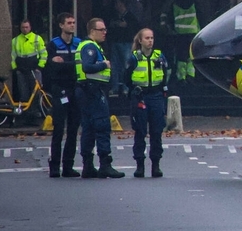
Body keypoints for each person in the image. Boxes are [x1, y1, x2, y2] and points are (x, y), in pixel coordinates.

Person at [74, 17, 124, 178]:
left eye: (105, 29)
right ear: (92, 31)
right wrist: (105, 64)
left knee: (88, 128)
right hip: (92, 91)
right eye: (101, 30)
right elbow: (87, 67)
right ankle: (105, 165)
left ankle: (88, 166)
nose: (104, 32)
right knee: (102, 126)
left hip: (86, 90)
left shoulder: (87, 45)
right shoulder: (89, 46)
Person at [124, 28, 170, 178]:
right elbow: (127, 77)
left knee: (157, 131)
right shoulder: (134, 58)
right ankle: (140, 165)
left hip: (156, 95)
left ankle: (156, 164)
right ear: (140, 41)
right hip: (141, 96)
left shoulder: (159, 56)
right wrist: (134, 92)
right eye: (147, 38)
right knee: (140, 131)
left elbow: (165, 74)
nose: (150, 41)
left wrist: (163, 90)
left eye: (152, 38)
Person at [44, 13, 82, 178]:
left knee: (73, 129)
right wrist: (70, 65)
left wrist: (64, 64)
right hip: (59, 88)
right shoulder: (53, 44)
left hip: (75, 88)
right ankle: (54, 166)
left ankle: (68, 166)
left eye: (73, 22)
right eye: (69, 23)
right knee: (58, 129)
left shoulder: (79, 43)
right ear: (61, 25)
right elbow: (51, 67)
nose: (72, 25)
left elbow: (80, 65)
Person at [160, 0, 200, 84]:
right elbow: (201, 16)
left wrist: (171, 29)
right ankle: (190, 75)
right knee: (190, 55)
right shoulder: (194, 3)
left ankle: (181, 77)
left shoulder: (174, 4)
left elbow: (170, 18)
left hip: (180, 34)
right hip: (193, 34)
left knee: (181, 56)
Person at [107, 0, 139, 97]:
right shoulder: (114, 16)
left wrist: (126, 26)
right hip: (115, 43)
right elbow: (110, 26)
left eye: (118, 3)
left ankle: (126, 87)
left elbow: (135, 28)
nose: (116, 5)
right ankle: (115, 87)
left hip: (126, 44)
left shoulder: (130, 16)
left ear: (122, 4)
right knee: (114, 66)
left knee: (126, 65)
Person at [11, 18, 47, 103]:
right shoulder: (15, 40)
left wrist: (40, 67)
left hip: (34, 68)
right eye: (23, 27)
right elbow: (13, 55)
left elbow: (44, 54)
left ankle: (37, 108)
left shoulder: (37, 38)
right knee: (23, 91)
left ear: (30, 27)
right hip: (21, 69)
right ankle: (25, 109)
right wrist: (15, 68)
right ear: (20, 28)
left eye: (26, 27)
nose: (25, 29)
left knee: (36, 91)